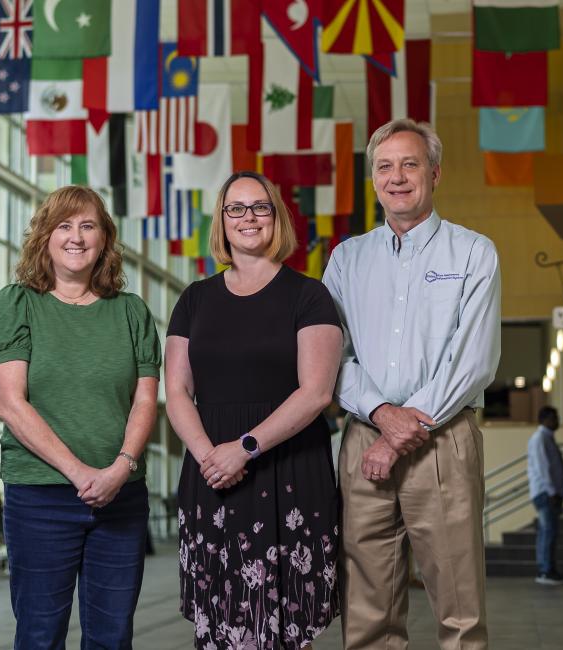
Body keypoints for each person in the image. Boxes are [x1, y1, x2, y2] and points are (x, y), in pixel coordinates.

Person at [323, 119, 500, 649]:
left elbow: (472, 361)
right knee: (367, 609)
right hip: (363, 443)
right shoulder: (347, 260)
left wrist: (401, 430)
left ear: (435, 173)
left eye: (410, 163)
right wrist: (381, 415)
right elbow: (332, 356)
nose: (397, 177)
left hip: (444, 440)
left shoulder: (473, 253)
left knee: (459, 608)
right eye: (384, 166)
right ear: (373, 179)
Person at [166, 171, 344, 649]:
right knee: (220, 621)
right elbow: (178, 391)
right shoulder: (194, 299)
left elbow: (316, 392)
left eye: (260, 207)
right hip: (212, 476)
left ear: (277, 218)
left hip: (287, 470)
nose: (248, 218)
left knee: (285, 624)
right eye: (235, 208)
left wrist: (244, 449)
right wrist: (211, 457)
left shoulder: (309, 295)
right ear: (222, 222)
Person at [0, 185, 160, 649]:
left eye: (88, 226)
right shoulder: (16, 304)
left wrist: (120, 469)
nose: (76, 237)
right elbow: (11, 404)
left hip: (121, 496)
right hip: (41, 498)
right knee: (40, 635)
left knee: (113, 636)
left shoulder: (132, 312)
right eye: (63, 226)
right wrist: (81, 473)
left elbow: (144, 403)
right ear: (44, 237)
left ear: (105, 238)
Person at [527, 406, 563, 586]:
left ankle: (549, 568)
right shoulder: (540, 439)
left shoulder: (546, 438)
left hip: (551, 492)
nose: (557, 420)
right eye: (555, 417)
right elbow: (543, 467)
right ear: (545, 419)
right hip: (546, 493)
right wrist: (552, 491)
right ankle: (545, 571)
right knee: (547, 532)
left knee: (549, 532)